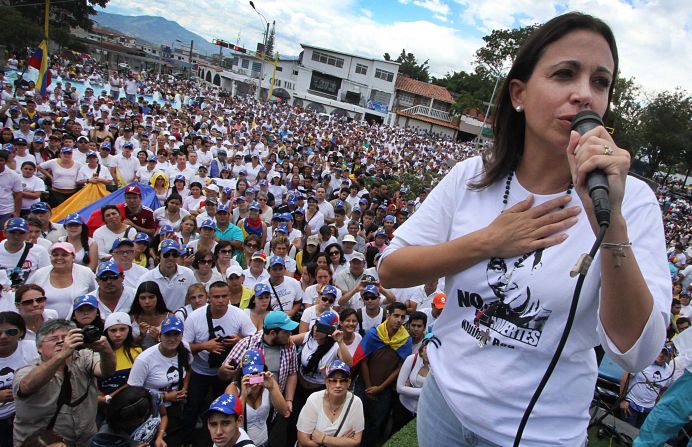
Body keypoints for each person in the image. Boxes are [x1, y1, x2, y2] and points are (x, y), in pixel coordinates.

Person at [378, 13, 671, 446]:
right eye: (565, 74)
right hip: (444, 402)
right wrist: (488, 242)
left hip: (538, 431)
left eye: (601, 82)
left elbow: (636, 351)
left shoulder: (634, 201)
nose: (584, 95)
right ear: (519, 93)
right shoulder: (470, 177)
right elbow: (391, 270)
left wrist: (609, 223)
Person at [12, 319, 116, 446]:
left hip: (85, 440)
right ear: (39, 347)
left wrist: (105, 350)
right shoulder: (28, 370)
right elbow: (26, 386)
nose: (62, 341)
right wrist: (62, 354)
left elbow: (106, 371)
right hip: (43, 443)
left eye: (67, 337)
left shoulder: (83, 357)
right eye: (54, 339)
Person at [181, 280, 256, 446]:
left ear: (230, 296)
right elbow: (182, 347)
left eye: (224, 296)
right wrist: (204, 346)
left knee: (223, 412)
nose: (221, 300)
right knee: (192, 408)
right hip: (199, 371)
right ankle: (187, 441)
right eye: (216, 297)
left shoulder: (238, 314)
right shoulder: (195, 317)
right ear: (209, 298)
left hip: (227, 372)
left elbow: (254, 339)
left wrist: (239, 341)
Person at [221, 311, 298, 447]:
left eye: (260, 371)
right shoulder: (246, 344)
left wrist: (287, 398)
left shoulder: (288, 346)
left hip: (271, 405)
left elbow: (292, 373)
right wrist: (242, 392)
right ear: (273, 333)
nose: (290, 335)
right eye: (286, 332)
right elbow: (224, 373)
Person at [352, 302, 411, 446]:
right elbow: (363, 360)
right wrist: (369, 386)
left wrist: (381, 388)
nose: (399, 320)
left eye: (402, 317)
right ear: (388, 315)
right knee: (356, 421)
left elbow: (400, 367)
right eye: (396, 315)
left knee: (375, 424)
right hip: (363, 386)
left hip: (384, 390)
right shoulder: (374, 333)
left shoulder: (405, 340)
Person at [127, 315, 190, 447]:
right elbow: (132, 392)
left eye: (176, 334)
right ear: (159, 336)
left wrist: (184, 387)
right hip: (150, 413)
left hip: (175, 411)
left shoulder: (184, 348)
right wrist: (165, 396)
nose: (172, 339)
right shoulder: (145, 360)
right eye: (167, 335)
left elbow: (189, 369)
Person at [225, 349, 289, 447]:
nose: (253, 377)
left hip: (263, 442)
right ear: (242, 374)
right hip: (240, 444)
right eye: (249, 373)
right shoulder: (233, 389)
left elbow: (284, 411)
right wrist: (244, 395)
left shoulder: (269, 383)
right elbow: (231, 420)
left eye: (257, 373)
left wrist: (272, 388)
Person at [296, 360, 364, 447]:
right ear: (326, 382)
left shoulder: (356, 403)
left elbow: (356, 441)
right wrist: (341, 442)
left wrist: (324, 439)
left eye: (343, 381)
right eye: (333, 381)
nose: (338, 385)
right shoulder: (314, 399)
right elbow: (303, 440)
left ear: (349, 383)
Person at [26, 242, 97, 319]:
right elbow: (25, 293)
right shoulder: (40, 273)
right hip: (46, 325)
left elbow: (96, 293)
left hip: (78, 324)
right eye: (55, 255)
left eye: (64, 255)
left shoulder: (86, 272)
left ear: (73, 257)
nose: (59, 258)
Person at [0, 311, 39, 446]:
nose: (3, 337)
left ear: (21, 332)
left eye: (10, 332)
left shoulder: (32, 348)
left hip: (27, 414)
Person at [89, 385, 166, 447]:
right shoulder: (103, 438)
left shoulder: (153, 397)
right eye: (135, 422)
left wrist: (159, 437)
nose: (143, 421)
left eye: (145, 416)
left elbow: (163, 415)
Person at [619, 346, 673, 428]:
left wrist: (656, 406)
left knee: (638, 434)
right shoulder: (643, 362)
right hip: (631, 404)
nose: (661, 355)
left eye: (665, 354)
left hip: (648, 410)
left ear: (668, 357)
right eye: (661, 351)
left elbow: (664, 389)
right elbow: (625, 378)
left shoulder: (669, 372)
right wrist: (623, 399)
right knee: (626, 431)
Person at [136, 239, 196, 311]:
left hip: (182, 318)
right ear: (158, 256)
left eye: (174, 254)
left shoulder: (188, 273)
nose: (170, 258)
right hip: (157, 319)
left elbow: (194, 296)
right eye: (166, 254)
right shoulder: (146, 278)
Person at [97, 312, 141, 406]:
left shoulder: (137, 351)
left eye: (122, 329)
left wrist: (110, 397)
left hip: (130, 402)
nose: (118, 334)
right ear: (106, 332)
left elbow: (135, 381)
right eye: (113, 330)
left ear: (129, 330)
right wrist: (100, 397)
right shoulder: (96, 353)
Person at [393, 332, 432, 434]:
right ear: (422, 349)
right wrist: (427, 391)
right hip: (403, 408)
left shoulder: (441, 369)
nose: (429, 352)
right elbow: (399, 388)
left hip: (424, 413)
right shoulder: (412, 359)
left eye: (434, 350)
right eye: (427, 348)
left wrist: (409, 389)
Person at [0, 218, 50, 291]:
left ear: (27, 234)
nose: (16, 236)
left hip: (28, 297)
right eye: (13, 232)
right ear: (4, 233)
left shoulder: (39, 251)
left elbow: (47, 276)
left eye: (21, 233)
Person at [129, 281, 171, 350]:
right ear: (138, 299)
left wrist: (158, 338)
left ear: (158, 298)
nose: (147, 301)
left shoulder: (169, 317)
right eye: (143, 298)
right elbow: (126, 345)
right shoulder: (131, 318)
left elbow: (175, 343)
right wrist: (141, 336)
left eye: (151, 297)